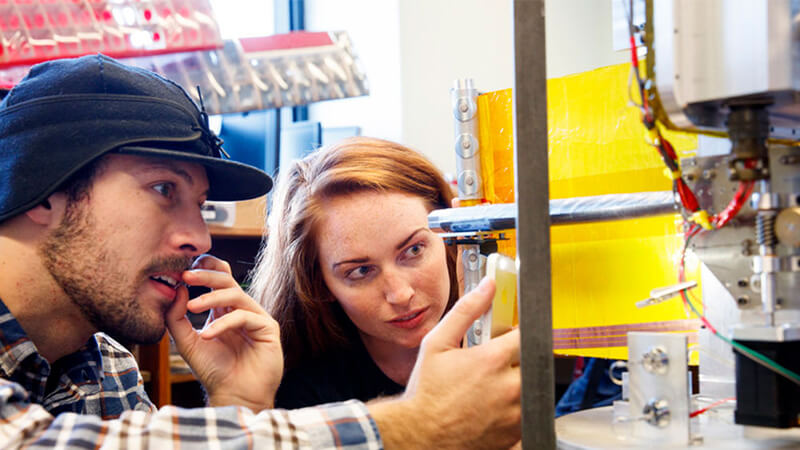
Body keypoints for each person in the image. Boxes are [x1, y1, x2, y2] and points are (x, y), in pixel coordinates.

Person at [0, 54, 522, 448]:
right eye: (164, 190)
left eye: (201, 205)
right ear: (46, 188)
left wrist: (238, 403)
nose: (199, 239)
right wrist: (423, 422)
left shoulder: (104, 366)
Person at [250, 137, 468, 408]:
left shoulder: (505, 329)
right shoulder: (302, 392)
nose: (400, 295)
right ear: (320, 285)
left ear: (451, 231)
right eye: (361, 271)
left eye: (413, 251)